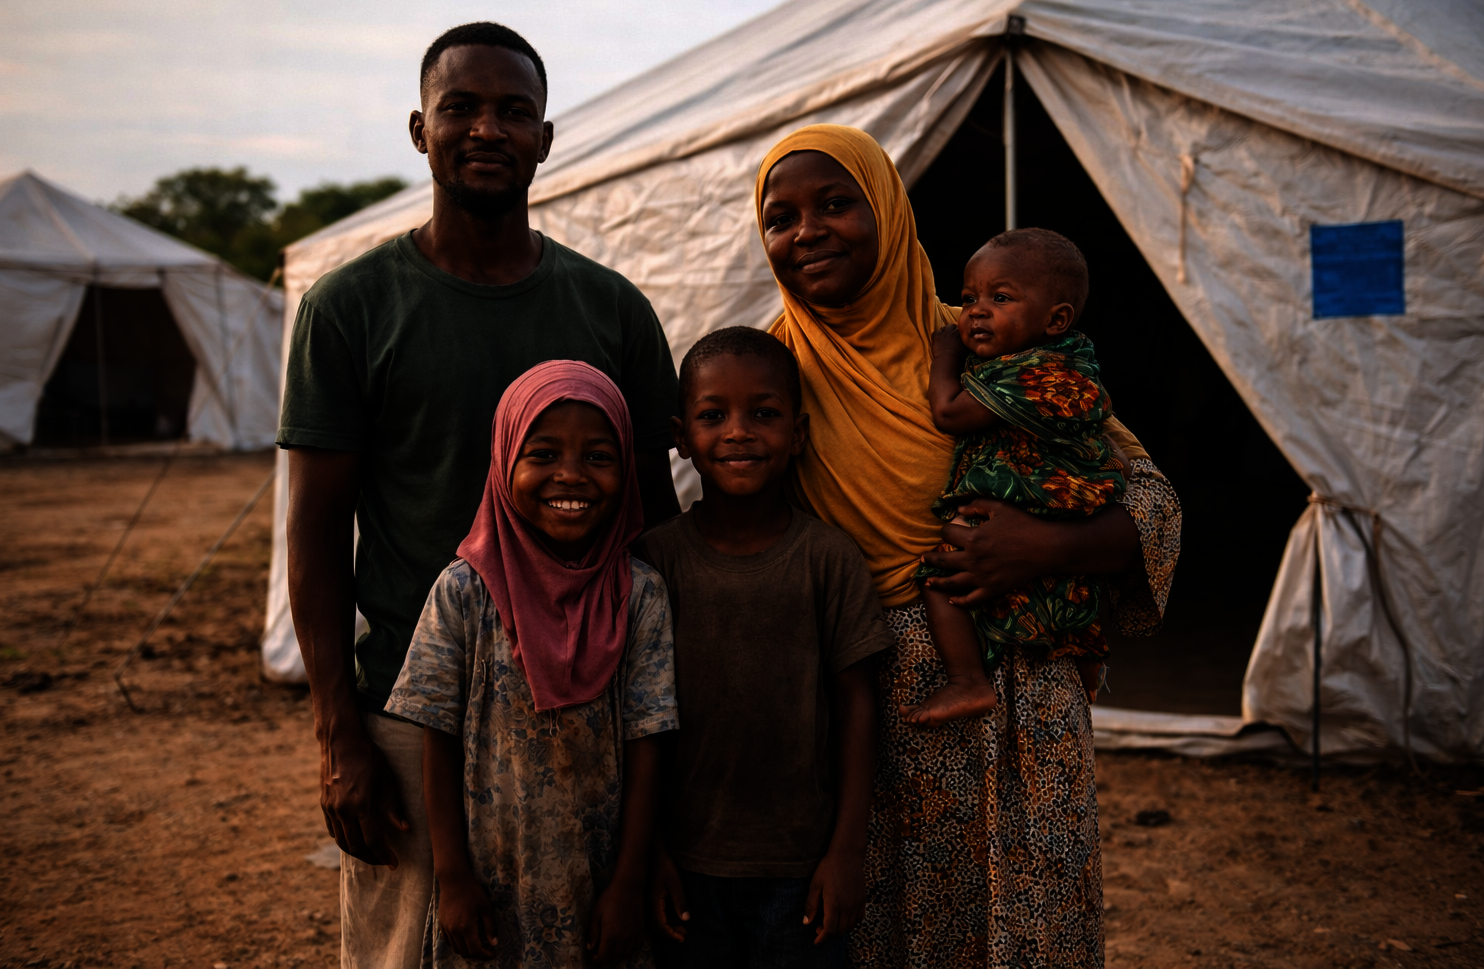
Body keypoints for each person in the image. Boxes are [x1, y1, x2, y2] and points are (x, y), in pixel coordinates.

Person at [279, 21, 682, 967]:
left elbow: (655, 525)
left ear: (547, 138)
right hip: (409, 719)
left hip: (590, 712)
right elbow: (315, 533)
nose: (487, 130)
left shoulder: (610, 309)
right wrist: (339, 731)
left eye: (514, 111)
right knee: (407, 950)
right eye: (460, 108)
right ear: (420, 130)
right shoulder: (348, 307)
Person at [755, 124, 1180, 968]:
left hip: (1017, 691)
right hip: (863, 698)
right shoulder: (771, 369)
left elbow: (1150, 494)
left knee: (1030, 928)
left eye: (838, 204)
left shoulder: (984, 340)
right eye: (781, 216)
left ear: (886, 209)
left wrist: (1045, 548)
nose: (807, 232)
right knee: (883, 931)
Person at [384, 361, 677, 968]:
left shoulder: (639, 593)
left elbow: (649, 743)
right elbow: (436, 736)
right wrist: (453, 877)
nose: (570, 475)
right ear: (503, 461)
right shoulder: (464, 592)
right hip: (492, 882)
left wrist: (628, 881)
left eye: (599, 457)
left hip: (601, 881)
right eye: (542, 454)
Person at [638, 327, 893, 968]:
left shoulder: (828, 559)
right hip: (685, 863)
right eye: (712, 415)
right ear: (681, 438)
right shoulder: (654, 561)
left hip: (800, 868)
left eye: (765, 414)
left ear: (799, 434)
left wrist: (846, 852)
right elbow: (633, 723)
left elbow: (858, 707)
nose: (738, 432)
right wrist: (649, 852)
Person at [903, 228, 1128, 727]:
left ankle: (966, 681)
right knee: (1067, 597)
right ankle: (1084, 656)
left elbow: (950, 413)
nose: (975, 311)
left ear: (1056, 320)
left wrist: (944, 357)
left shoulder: (1028, 373)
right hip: (1058, 508)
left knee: (940, 581)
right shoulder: (1070, 360)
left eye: (999, 298)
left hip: (1029, 507)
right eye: (967, 299)